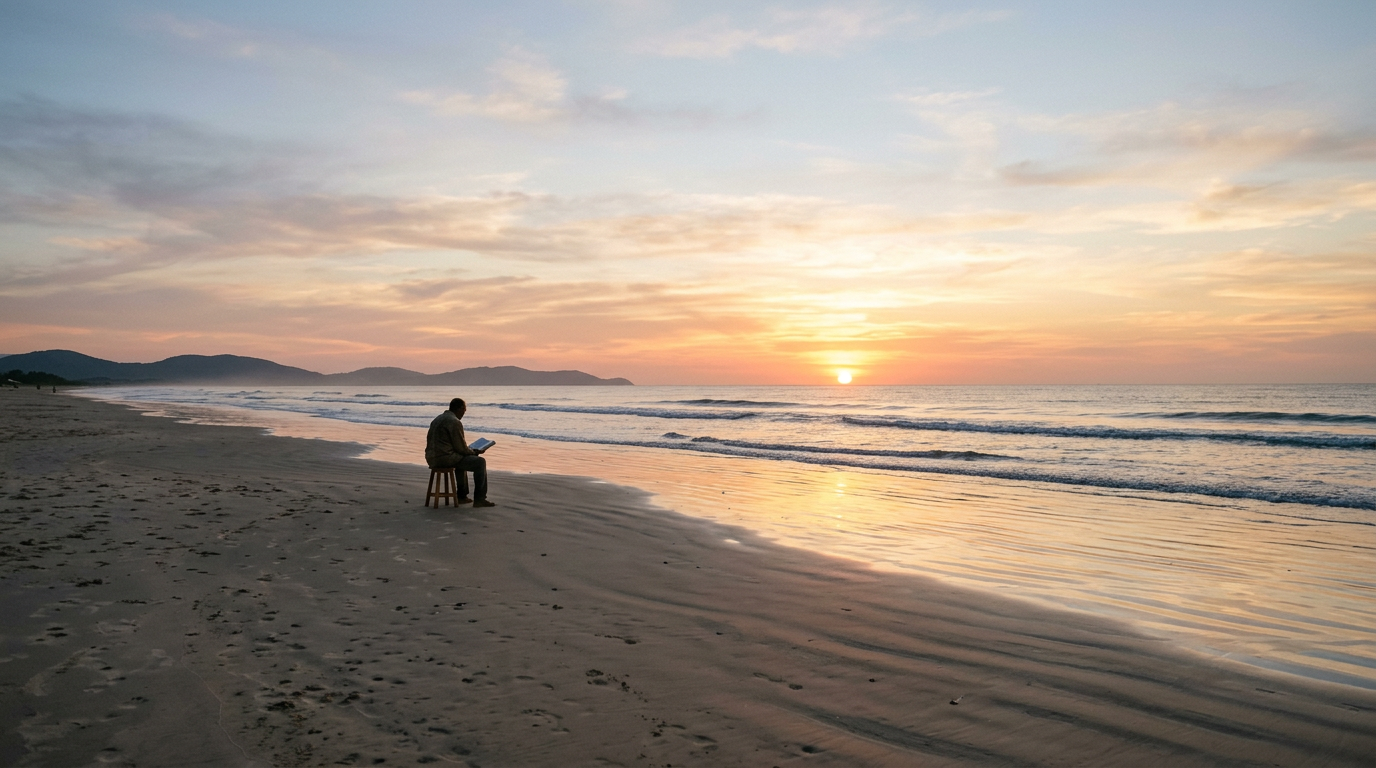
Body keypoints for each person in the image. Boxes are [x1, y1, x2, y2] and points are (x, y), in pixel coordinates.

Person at [425, 398, 495, 508]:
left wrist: (468, 452)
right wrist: (474, 452)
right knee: (480, 462)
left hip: (431, 457)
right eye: (464, 410)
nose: (464, 413)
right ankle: (480, 499)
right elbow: (461, 448)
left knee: (460, 458)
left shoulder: (438, 419)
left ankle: (462, 496)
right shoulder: (454, 422)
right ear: (460, 409)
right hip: (445, 458)